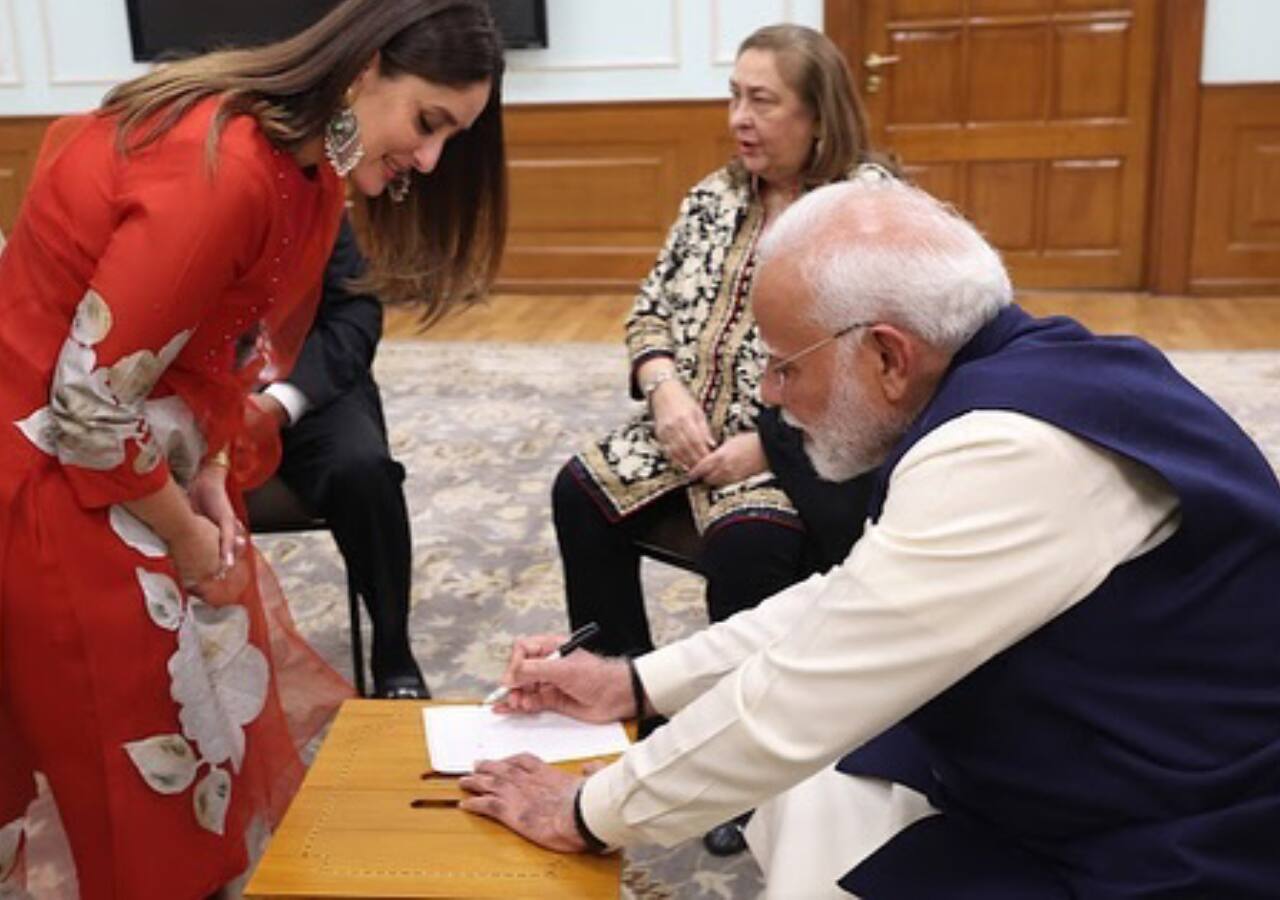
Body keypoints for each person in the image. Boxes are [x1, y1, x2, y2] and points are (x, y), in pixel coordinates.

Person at [458, 178, 1280, 899]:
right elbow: (855, 595)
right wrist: (633, 685)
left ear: (889, 355)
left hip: (1172, 822)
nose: (774, 400)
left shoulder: (1011, 452)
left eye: (785, 366)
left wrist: (585, 813)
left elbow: (805, 696)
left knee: (806, 767)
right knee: (808, 786)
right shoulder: (1021, 374)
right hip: (1084, 746)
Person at [0, 1, 506, 896]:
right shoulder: (222, 171)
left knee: (197, 740)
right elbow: (83, 407)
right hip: (48, 481)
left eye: (450, 139)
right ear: (364, 69)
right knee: (138, 768)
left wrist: (214, 471)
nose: (430, 161)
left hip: (131, 460)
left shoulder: (305, 173)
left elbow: (218, 354)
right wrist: (189, 533)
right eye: (428, 123)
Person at [551, 22, 882, 856]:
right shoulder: (714, 193)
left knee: (749, 549)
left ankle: (742, 764)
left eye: (761, 100)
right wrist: (661, 386)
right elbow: (649, 308)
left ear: (818, 114)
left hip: (796, 445)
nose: (739, 116)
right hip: (683, 427)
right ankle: (629, 698)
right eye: (734, 95)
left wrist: (768, 447)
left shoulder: (864, 210)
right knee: (579, 493)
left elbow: (875, 368)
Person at [252, 215, 429, 701]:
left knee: (365, 471)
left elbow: (355, 315)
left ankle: (393, 652)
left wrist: (280, 401)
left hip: (307, 389)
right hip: (196, 399)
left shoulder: (310, 196)